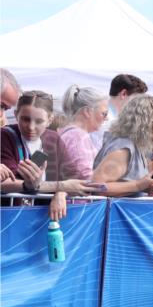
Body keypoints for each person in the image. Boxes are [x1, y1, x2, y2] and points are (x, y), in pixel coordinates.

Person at [1, 90, 93, 219]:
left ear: (50, 120)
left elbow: (73, 178)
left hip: (42, 218)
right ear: (16, 115)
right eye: (25, 119)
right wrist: (60, 186)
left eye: (39, 121)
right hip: (10, 217)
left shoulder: (52, 139)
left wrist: (61, 192)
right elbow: (6, 181)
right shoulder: (5, 136)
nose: (31, 127)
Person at [90, 95, 153, 198]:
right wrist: (138, 186)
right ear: (149, 123)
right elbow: (97, 187)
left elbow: (145, 172)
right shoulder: (123, 149)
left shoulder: (134, 145)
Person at [90, 73, 148, 149]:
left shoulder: (107, 115)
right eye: (137, 99)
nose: (139, 104)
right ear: (123, 94)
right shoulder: (106, 121)